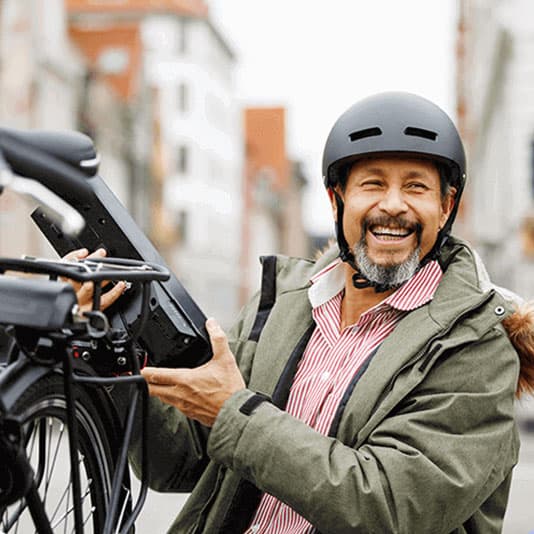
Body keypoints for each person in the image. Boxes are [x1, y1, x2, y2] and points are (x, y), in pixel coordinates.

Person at [73, 92, 534, 533]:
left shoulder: (478, 344)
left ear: (445, 206)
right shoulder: (285, 304)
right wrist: (106, 339)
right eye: (373, 183)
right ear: (337, 200)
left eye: (416, 186)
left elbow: (392, 506)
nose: (393, 205)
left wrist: (236, 413)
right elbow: (178, 462)